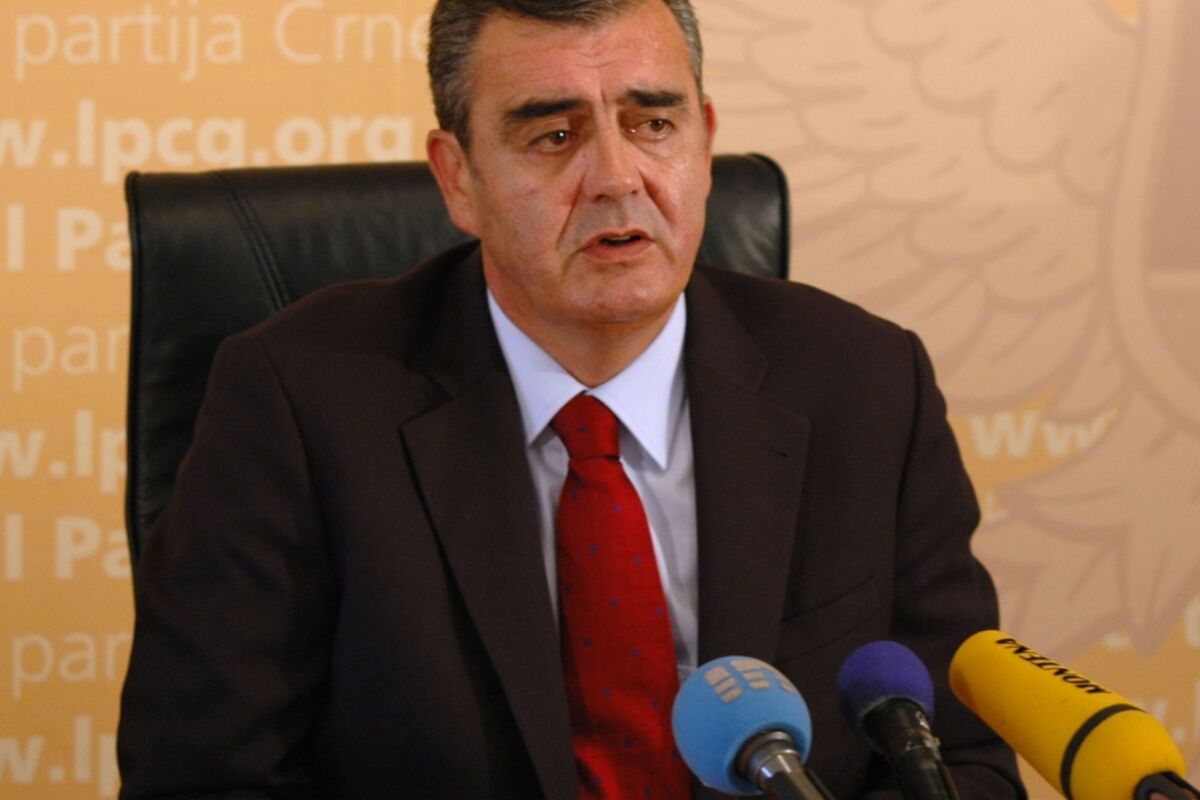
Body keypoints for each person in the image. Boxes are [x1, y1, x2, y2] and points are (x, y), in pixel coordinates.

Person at [117, 0, 1026, 798]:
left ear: (705, 139)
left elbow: (962, 761)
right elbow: (202, 780)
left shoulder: (867, 386)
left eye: (653, 123)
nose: (617, 177)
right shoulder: (298, 403)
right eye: (554, 136)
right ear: (457, 177)